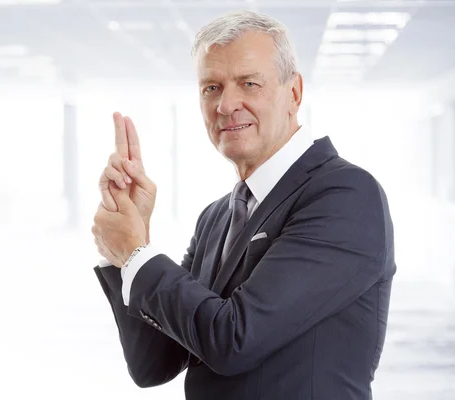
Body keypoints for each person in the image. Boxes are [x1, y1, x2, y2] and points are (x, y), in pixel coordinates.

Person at [90, 10, 396, 400]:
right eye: (211, 88)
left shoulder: (346, 195)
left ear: (294, 93)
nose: (226, 104)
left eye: (249, 83)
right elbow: (154, 363)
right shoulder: (217, 217)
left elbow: (234, 339)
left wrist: (136, 253)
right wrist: (126, 249)